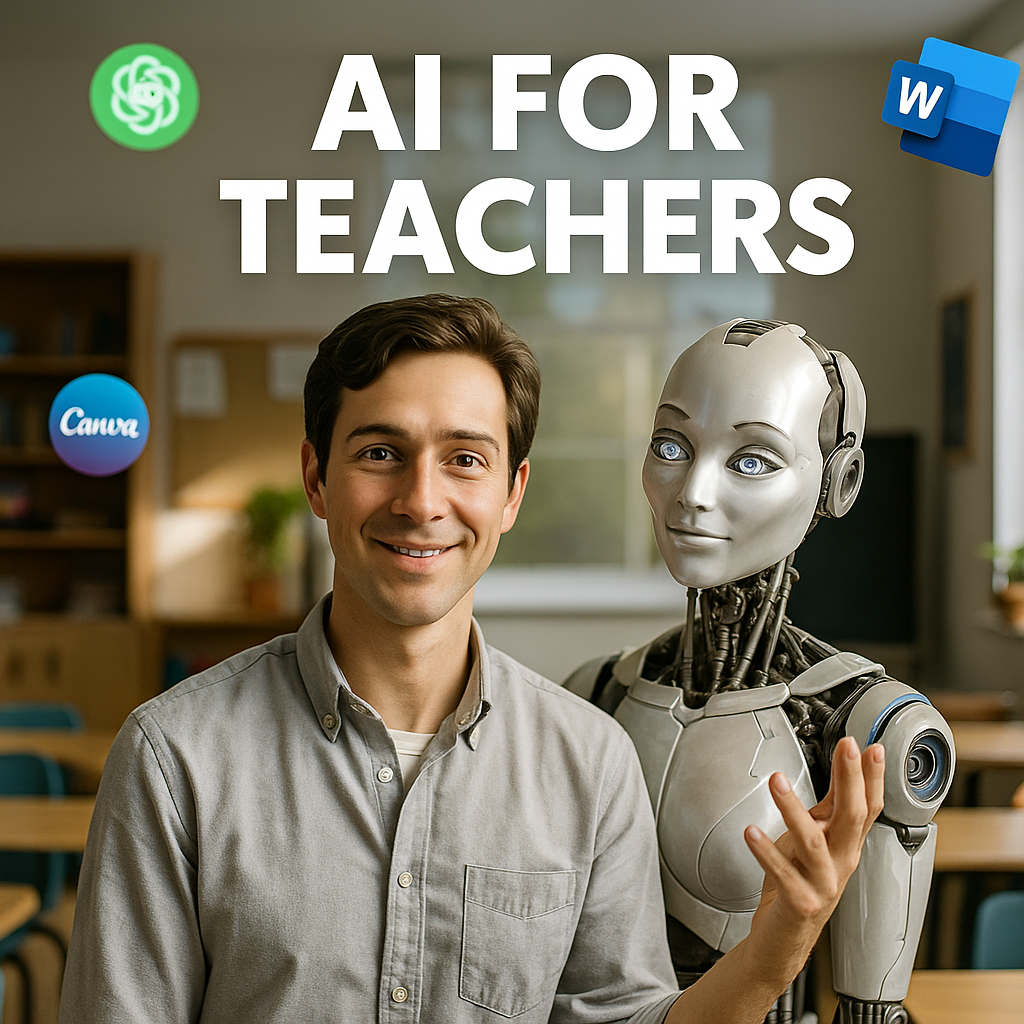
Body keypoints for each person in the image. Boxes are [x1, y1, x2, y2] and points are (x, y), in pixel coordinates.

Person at [59, 297, 884, 1024]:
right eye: (380, 452)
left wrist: (779, 947)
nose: (421, 501)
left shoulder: (592, 763)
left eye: (464, 458)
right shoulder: (174, 758)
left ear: (512, 493)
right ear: (316, 479)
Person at [565, 319, 953, 1024]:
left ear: (841, 480)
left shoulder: (866, 723)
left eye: (751, 460)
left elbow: (871, 1011)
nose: (691, 493)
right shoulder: (597, 692)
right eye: (671, 446)